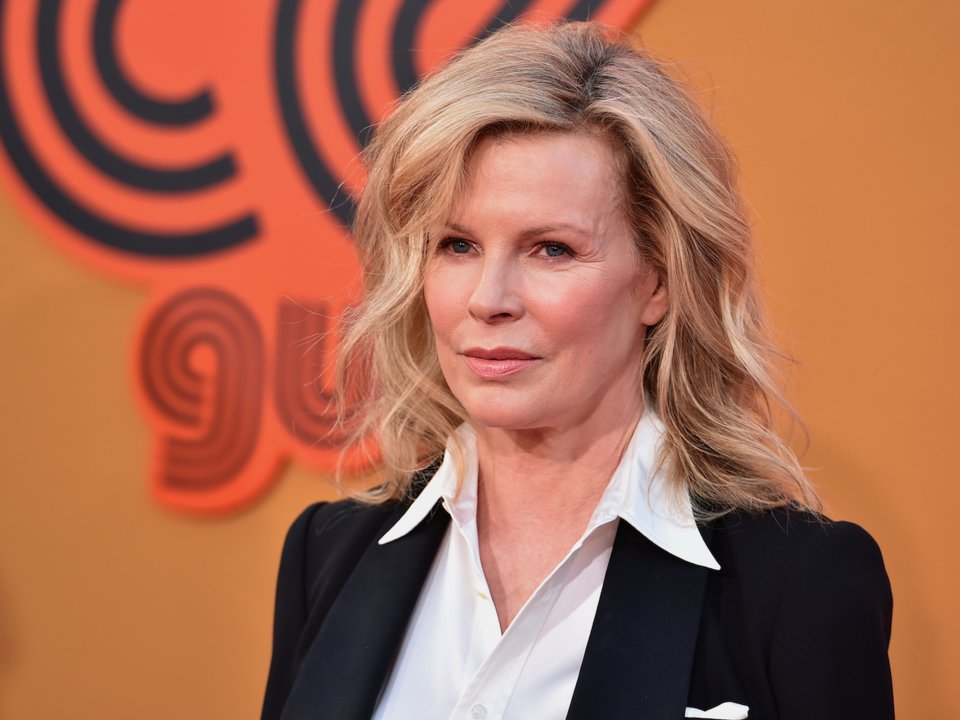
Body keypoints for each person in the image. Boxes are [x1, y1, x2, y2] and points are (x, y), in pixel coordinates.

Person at [261, 21, 893, 720]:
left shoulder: (796, 585)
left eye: (552, 250)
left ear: (659, 281)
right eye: (458, 245)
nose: (488, 299)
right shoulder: (327, 556)